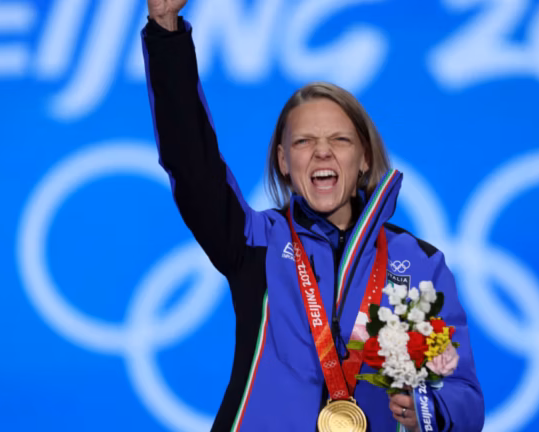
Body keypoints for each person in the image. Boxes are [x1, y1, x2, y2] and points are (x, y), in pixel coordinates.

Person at [141, 1, 484, 430]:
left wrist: (428, 410)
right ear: (284, 161)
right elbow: (190, 162)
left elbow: (464, 393)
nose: (322, 151)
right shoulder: (255, 242)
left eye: (339, 139)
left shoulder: (418, 262)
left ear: (363, 157)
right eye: (303, 142)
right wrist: (166, 32)